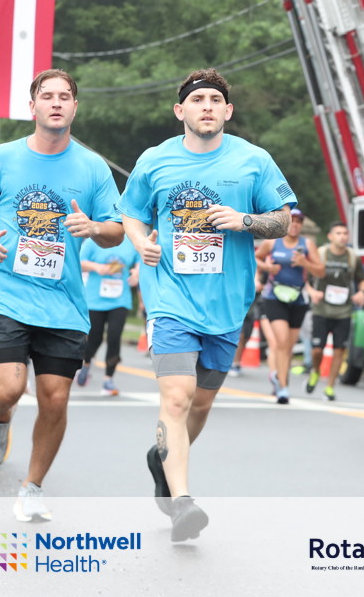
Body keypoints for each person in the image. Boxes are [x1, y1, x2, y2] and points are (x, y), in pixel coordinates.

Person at [119, 68, 296, 541]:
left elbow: (283, 220)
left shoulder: (253, 160)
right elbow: (131, 214)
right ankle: (182, 502)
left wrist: (244, 221)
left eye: (216, 100)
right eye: (198, 99)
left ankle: (162, 458)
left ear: (228, 111)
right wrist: (140, 242)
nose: (207, 107)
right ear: (181, 110)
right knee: (176, 397)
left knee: (199, 404)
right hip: (170, 299)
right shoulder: (155, 160)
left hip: (227, 304)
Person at [0, 69, 123, 521]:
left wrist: (94, 227)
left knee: (55, 398)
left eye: (64, 96)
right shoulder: (3, 158)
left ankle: (32, 487)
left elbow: (116, 230)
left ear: (75, 107)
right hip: (6, 290)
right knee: (6, 389)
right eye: (47, 96)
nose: (56, 103)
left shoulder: (92, 167)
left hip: (64, 302)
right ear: (32, 106)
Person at [255, 209, 323, 403]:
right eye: (292, 221)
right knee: (282, 341)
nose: (295, 225)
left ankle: (280, 377)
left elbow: (320, 271)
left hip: (298, 299)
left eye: (299, 222)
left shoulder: (307, 245)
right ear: (285, 223)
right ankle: (283, 388)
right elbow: (255, 258)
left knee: (289, 346)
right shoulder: (273, 242)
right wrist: (268, 267)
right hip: (274, 297)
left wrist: (305, 263)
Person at [305, 221, 364, 401]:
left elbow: (362, 280)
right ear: (330, 236)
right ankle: (316, 371)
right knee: (317, 350)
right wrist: (312, 292)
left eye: (345, 233)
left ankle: (330, 387)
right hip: (321, 309)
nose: (342, 237)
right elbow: (305, 277)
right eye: (338, 233)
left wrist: (362, 292)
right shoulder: (321, 253)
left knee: (339, 350)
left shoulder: (352, 257)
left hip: (344, 311)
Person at [77, 237, 140, 395]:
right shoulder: (93, 241)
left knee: (114, 338)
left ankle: (108, 379)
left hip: (120, 299)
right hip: (95, 300)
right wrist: (97, 267)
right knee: (94, 338)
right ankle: (86, 363)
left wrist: (137, 273)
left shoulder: (131, 242)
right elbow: (79, 262)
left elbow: (141, 261)